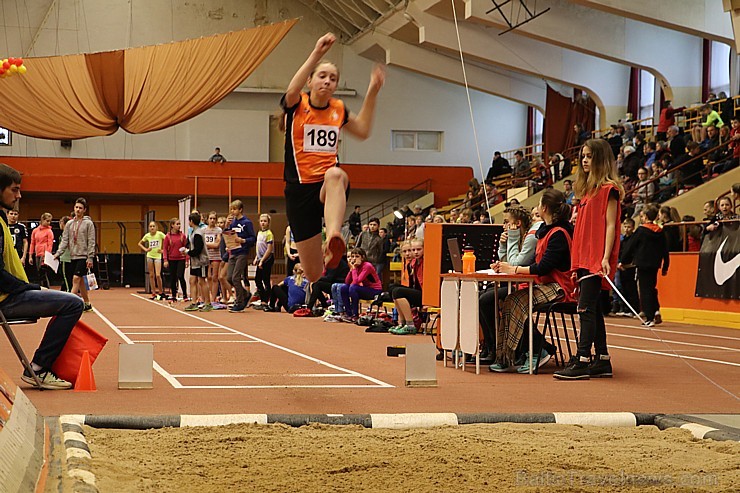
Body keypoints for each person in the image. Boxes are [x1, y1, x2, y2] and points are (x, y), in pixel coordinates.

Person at [281, 33, 385, 282]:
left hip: (328, 188)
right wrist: (318, 52)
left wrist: (372, 91)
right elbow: (292, 89)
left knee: (336, 173)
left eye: (333, 78)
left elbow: (362, 130)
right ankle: (327, 257)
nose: (327, 82)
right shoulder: (298, 104)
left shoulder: (338, 109)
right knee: (315, 274)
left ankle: (335, 236)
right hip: (299, 192)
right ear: (310, 80)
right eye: (322, 76)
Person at [0, 163, 84, 390]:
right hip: (6, 299)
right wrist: (30, 288)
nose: (19, 195)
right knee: (74, 304)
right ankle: (38, 367)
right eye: (14, 189)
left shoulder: (1, 220)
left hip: (10, 294)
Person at [554, 139, 623, 380]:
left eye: (589, 156)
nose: (584, 160)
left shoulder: (608, 190)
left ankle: (583, 358)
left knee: (585, 308)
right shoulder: (585, 192)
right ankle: (602, 358)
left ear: (601, 159)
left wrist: (605, 257)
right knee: (591, 308)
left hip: (596, 258)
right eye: (582, 156)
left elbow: (611, 226)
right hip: (583, 257)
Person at [488, 189, 575, 374]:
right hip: (545, 284)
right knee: (511, 300)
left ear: (544, 208)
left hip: (560, 287)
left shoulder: (558, 233)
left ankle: (535, 352)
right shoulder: (546, 231)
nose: (535, 209)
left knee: (518, 301)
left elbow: (542, 267)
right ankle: (506, 356)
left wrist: (514, 270)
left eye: (538, 205)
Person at [621, 205, 670, 327]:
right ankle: (656, 309)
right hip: (654, 264)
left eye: (642, 216)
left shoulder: (641, 230)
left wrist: (623, 260)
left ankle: (649, 317)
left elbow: (630, 246)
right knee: (651, 287)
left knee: (644, 290)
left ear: (646, 217)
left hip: (642, 263)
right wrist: (665, 266)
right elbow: (665, 250)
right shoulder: (660, 230)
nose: (641, 218)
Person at [54, 197, 96, 312]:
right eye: (76, 207)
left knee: (76, 279)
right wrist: (58, 253)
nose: (78, 210)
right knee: (81, 281)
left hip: (83, 256)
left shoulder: (88, 224)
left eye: (80, 208)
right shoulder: (69, 224)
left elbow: (91, 240)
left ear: (84, 210)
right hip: (73, 256)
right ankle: (87, 303)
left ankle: (70, 304)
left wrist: (90, 257)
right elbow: (65, 240)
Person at [223, 200, 256, 312]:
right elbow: (228, 235)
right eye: (231, 209)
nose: (233, 211)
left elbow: (253, 238)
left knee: (236, 277)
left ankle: (240, 301)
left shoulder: (247, 222)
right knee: (229, 277)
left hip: (242, 252)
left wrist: (243, 240)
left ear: (240, 209)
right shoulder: (232, 223)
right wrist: (227, 226)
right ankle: (245, 294)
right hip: (233, 252)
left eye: (235, 209)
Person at [389, 239, 424, 335]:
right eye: (413, 250)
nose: (415, 252)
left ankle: (410, 324)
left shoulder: (425, 263)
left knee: (398, 292)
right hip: (418, 291)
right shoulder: (412, 264)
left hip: (426, 295)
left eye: (418, 249)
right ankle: (402, 323)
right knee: (393, 288)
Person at [338, 247, 382, 323]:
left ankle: (355, 314)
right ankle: (349, 314)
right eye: (352, 256)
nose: (354, 259)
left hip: (375, 291)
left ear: (363, 257)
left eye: (357, 256)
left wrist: (354, 268)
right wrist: (351, 269)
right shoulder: (356, 266)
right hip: (365, 289)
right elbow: (347, 282)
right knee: (344, 288)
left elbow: (356, 281)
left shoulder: (367, 266)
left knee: (353, 288)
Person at [185, 212, 212, 312]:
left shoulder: (198, 233)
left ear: (191, 221)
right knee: (192, 280)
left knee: (201, 281)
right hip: (194, 262)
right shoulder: (193, 232)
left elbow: (198, 249)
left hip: (201, 261)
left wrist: (188, 252)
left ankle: (208, 303)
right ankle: (194, 302)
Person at [613, 217, 638, 317]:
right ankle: (626, 308)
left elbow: (633, 254)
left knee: (631, 288)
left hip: (630, 267)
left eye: (629, 227)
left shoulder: (634, 239)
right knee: (623, 288)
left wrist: (627, 264)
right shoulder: (623, 240)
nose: (626, 229)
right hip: (622, 266)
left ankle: (634, 309)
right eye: (625, 226)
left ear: (633, 228)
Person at [138, 221, 166, 300]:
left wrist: (163, 250)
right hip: (150, 256)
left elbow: (168, 240)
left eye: (153, 226)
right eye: (150, 226)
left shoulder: (160, 234)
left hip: (157, 256)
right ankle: (153, 292)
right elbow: (139, 243)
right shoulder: (147, 236)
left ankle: (161, 292)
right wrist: (146, 249)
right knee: (151, 275)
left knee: (158, 274)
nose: (152, 228)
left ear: (156, 227)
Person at [162, 217, 188, 301]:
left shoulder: (182, 236)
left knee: (180, 276)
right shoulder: (168, 236)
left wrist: (187, 259)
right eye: (177, 224)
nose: (179, 226)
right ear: (172, 225)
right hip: (171, 259)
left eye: (179, 224)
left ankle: (185, 295)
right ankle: (173, 295)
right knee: (173, 277)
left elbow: (186, 247)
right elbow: (165, 248)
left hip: (181, 258)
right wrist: (165, 259)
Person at [252, 213, 275, 307]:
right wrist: (256, 258)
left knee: (265, 279)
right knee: (257, 279)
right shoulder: (259, 232)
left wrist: (262, 261)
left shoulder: (269, 234)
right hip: (260, 258)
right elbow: (258, 247)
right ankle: (262, 298)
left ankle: (266, 300)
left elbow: (269, 249)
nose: (263, 223)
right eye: (261, 221)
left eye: (265, 221)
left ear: (268, 223)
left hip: (267, 258)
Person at [203, 212, 223, 307]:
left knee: (215, 277)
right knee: (208, 277)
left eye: (214, 218)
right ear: (207, 220)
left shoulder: (218, 230)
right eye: (210, 218)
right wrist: (210, 245)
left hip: (216, 256)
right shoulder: (204, 230)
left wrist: (207, 245)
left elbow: (217, 245)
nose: (212, 220)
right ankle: (210, 295)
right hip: (206, 256)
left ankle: (213, 298)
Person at [29, 213, 54, 288]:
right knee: (39, 273)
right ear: (42, 220)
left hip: (44, 253)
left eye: (50, 221)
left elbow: (50, 244)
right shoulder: (35, 231)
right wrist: (30, 255)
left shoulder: (49, 231)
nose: (48, 223)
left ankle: (47, 289)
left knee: (43, 273)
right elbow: (32, 243)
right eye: (47, 221)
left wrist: (47, 255)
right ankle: (41, 288)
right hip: (37, 253)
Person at [357, 217, 383, 282]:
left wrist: (376, 259)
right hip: (361, 259)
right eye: (371, 224)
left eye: (374, 225)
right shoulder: (363, 234)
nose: (372, 226)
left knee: (370, 279)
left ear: (378, 226)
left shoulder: (379, 239)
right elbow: (357, 246)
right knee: (359, 278)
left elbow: (380, 251)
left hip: (372, 262)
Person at [217, 215, 233, 304]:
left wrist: (225, 257)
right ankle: (224, 297)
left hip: (228, 257)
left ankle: (231, 295)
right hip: (222, 256)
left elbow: (230, 246)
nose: (220, 224)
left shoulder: (230, 232)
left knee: (222, 277)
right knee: (220, 278)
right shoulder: (222, 233)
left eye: (221, 222)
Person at [57, 216, 73, 292]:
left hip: (66, 258)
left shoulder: (66, 234)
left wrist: (58, 254)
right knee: (68, 277)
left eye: (61, 222)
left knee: (66, 277)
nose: (60, 224)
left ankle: (69, 292)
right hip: (68, 257)